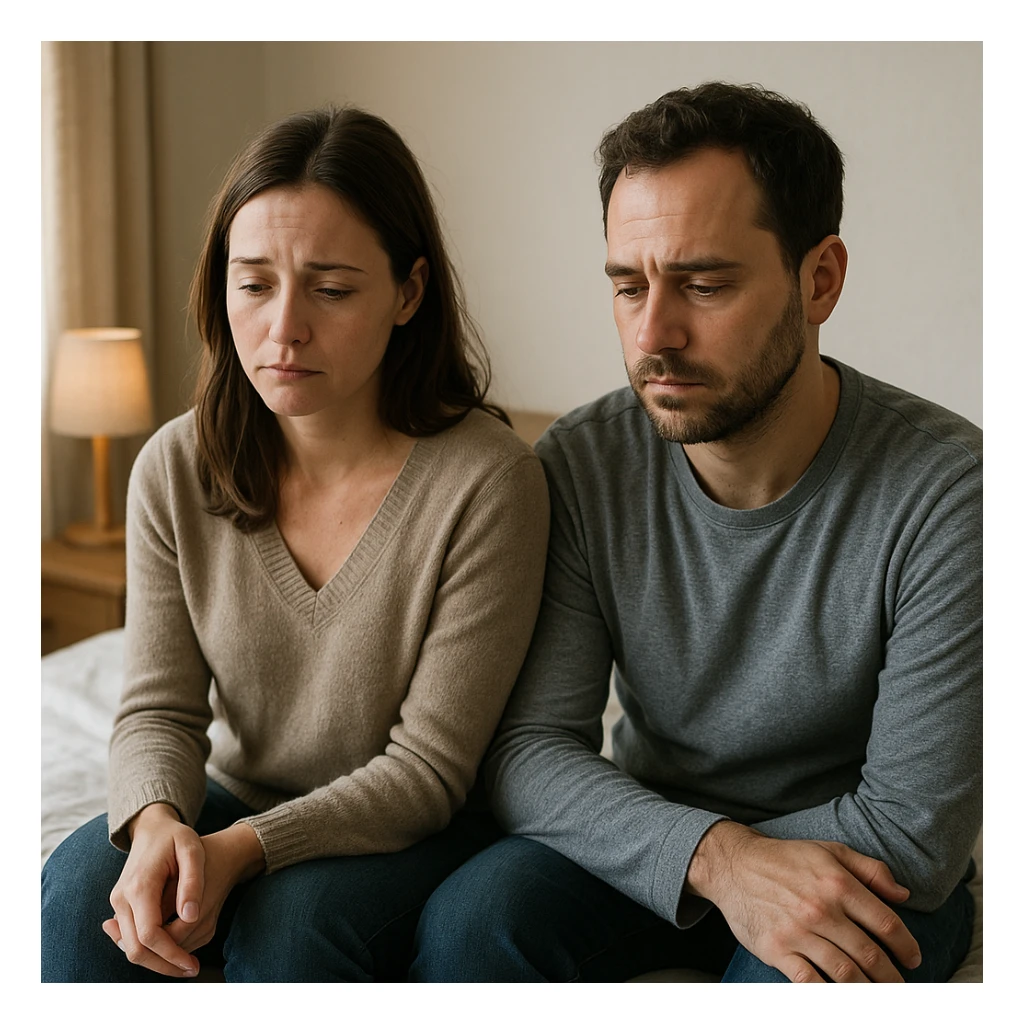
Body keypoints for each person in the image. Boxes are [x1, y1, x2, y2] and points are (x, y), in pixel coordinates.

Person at [410, 82, 981, 984]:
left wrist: (733, 866)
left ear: (820, 279)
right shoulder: (581, 463)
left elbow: (915, 828)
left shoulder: (950, 491)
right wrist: (718, 861)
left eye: (704, 284)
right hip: (659, 834)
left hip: (866, 871)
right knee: (468, 924)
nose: (654, 333)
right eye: (628, 285)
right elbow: (528, 753)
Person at [41, 106, 549, 982]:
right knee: (77, 887)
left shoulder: (488, 481)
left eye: (332, 288)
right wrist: (159, 820)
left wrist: (242, 848)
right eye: (254, 283)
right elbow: (160, 710)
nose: (284, 329)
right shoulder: (173, 466)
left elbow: (427, 770)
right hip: (232, 796)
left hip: (419, 821)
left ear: (409, 292)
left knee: (292, 926)